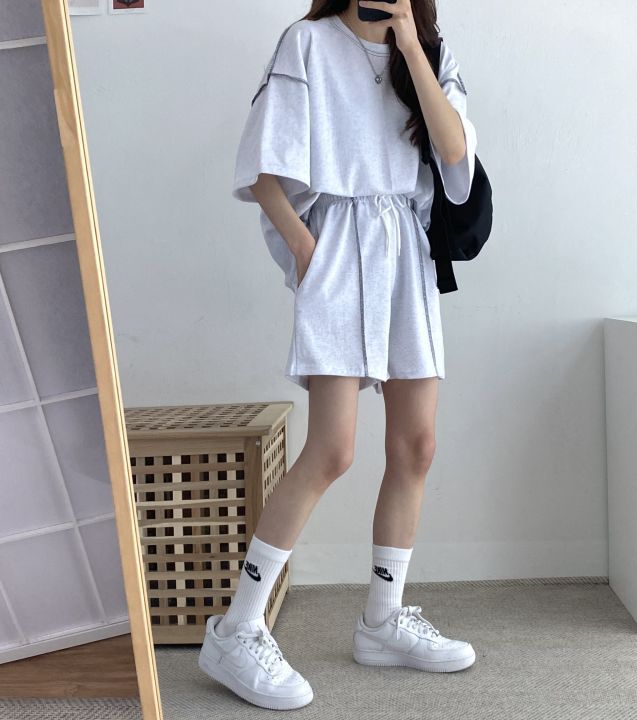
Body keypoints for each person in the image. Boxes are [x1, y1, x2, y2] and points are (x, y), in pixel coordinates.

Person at [198, 0, 478, 710]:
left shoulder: (430, 52)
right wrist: (306, 248)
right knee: (332, 451)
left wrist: (411, 48)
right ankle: (236, 629)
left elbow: (456, 160)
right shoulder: (308, 43)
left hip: (407, 251)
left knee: (416, 446)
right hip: (340, 248)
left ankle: (383, 621)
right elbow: (263, 166)